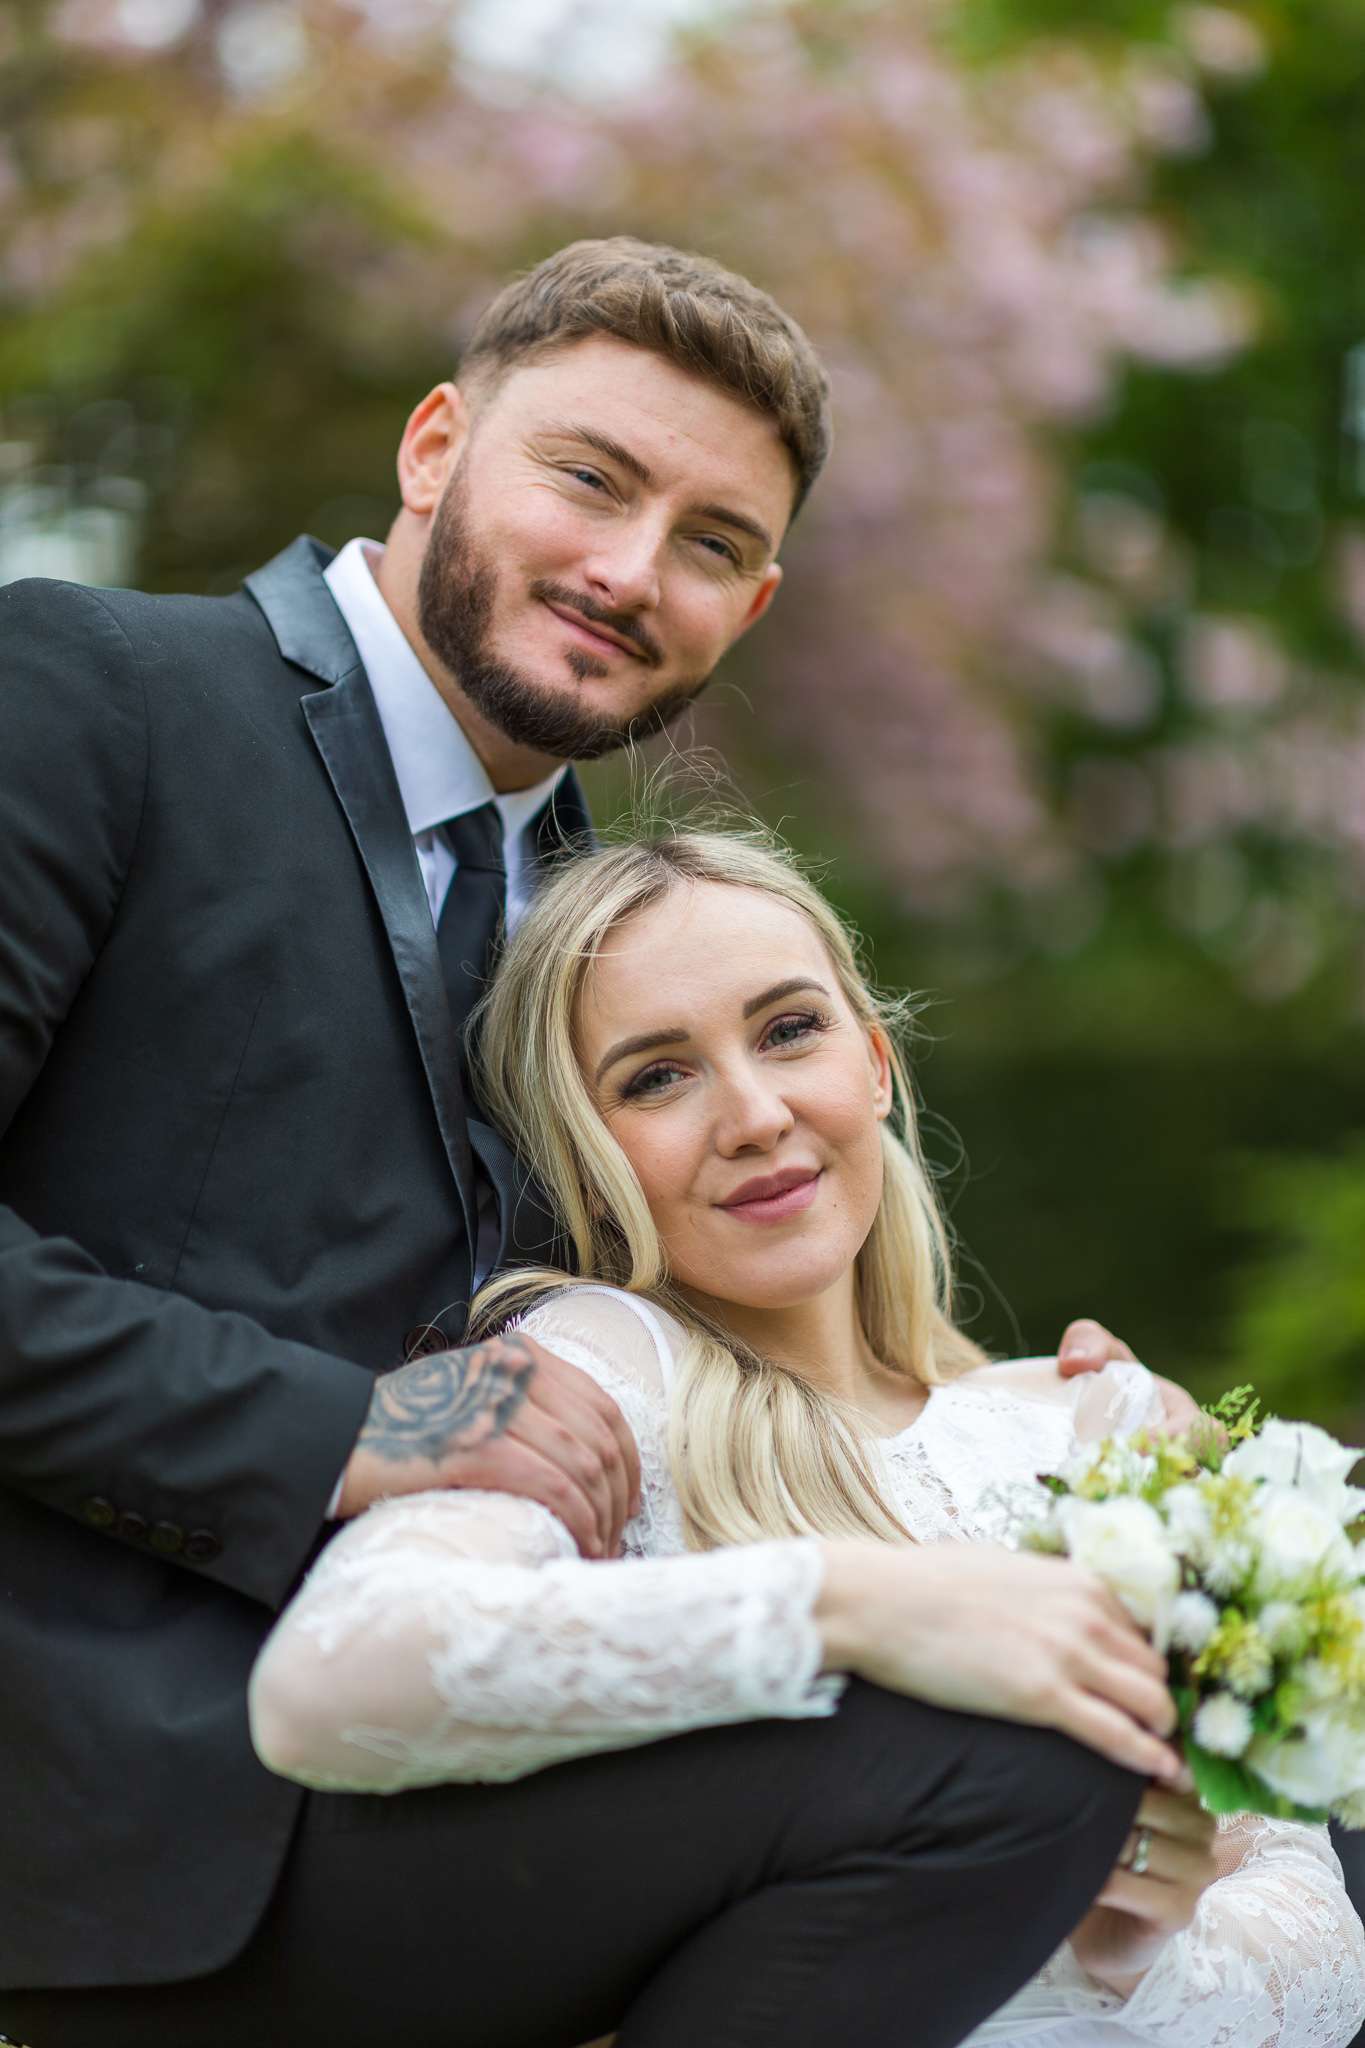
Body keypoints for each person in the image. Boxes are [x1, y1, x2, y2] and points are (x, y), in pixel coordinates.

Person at [3, 238, 1149, 2044]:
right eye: (591, 479)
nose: (632, 574)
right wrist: (349, 1424)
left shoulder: (595, 930)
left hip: (509, 1761)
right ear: (437, 445)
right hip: (147, 1812)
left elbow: (702, 1299)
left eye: (711, 543)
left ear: (752, 610)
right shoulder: (93, 690)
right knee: (991, 1752)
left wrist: (1019, 1428)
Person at [249, 827, 1365, 2048]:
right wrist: (844, 1601)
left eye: (788, 1030)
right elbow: (336, 1670)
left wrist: (1132, 1940)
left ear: (877, 1062)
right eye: (655, 1077)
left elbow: (1316, 1913)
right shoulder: (602, 1373)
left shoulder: (1096, 1420)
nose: (754, 1113)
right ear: (582, 1152)